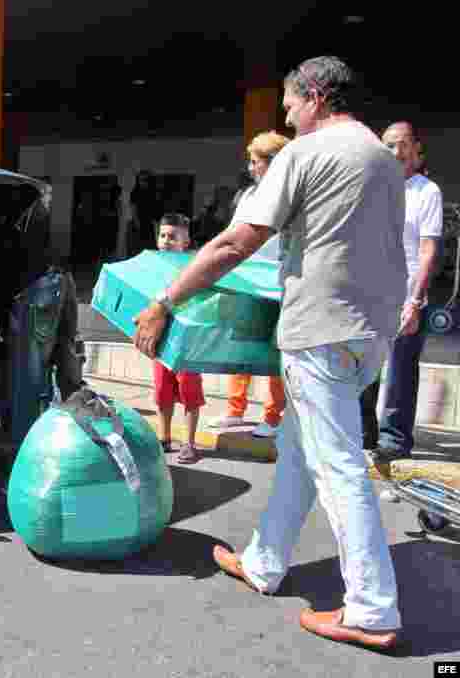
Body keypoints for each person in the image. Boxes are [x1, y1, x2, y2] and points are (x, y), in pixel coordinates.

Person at [133, 56, 407, 650]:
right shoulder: (384, 160)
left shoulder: (305, 154)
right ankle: (264, 561)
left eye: (289, 104)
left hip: (321, 332)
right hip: (369, 333)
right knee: (299, 451)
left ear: (314, 95)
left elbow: (237, 241)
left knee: (335, 465)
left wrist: (164, 301)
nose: (286, 115)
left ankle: (372, 608)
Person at [208, 131, 291, 438]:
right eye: (252, 162)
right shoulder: (247, 195)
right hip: (246, 281)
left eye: (257, 162)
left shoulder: (289, 196)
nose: (252, 168)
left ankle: (273, 416)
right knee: (240, 348)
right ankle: (235, 409)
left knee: (273, 352)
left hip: (278, 284)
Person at [369, 122, 442, 463]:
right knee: (364, 369)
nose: (395, 152)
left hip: (406, 298)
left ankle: (394, 441)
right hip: (370, 295)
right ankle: (363, 434)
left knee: (399, 373)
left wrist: (415, 301)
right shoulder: (374, 190)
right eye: (388, 145)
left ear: (415, 149)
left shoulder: (426, 192)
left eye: (402, 145)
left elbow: (428, 250)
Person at [151, 212, 206, 464]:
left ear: (186, 241)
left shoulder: (195, 267)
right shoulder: (153, 266)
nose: (165, 241)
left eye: (172, 237)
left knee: (189, 390)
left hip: (187, 339)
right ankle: (164, 437)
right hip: (160, 338)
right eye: (162, 235)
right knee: (162, 390)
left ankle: (189, 443)